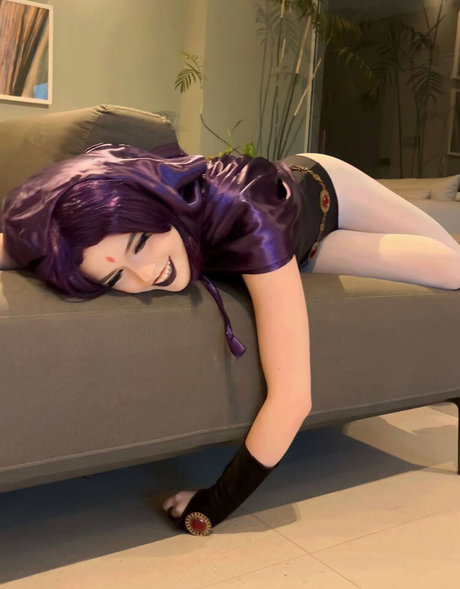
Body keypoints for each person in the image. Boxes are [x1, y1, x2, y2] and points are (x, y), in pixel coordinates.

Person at [1, 142, 459, 536]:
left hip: (328, 191)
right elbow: (20, 239)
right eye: (116, 277)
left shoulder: (247, 213)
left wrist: (215, 502)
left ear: (156, 207)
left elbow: (293, 397)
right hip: (308, 251)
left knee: (453, 265)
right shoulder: (99, 242)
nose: (146, 275)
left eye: (140, 243)